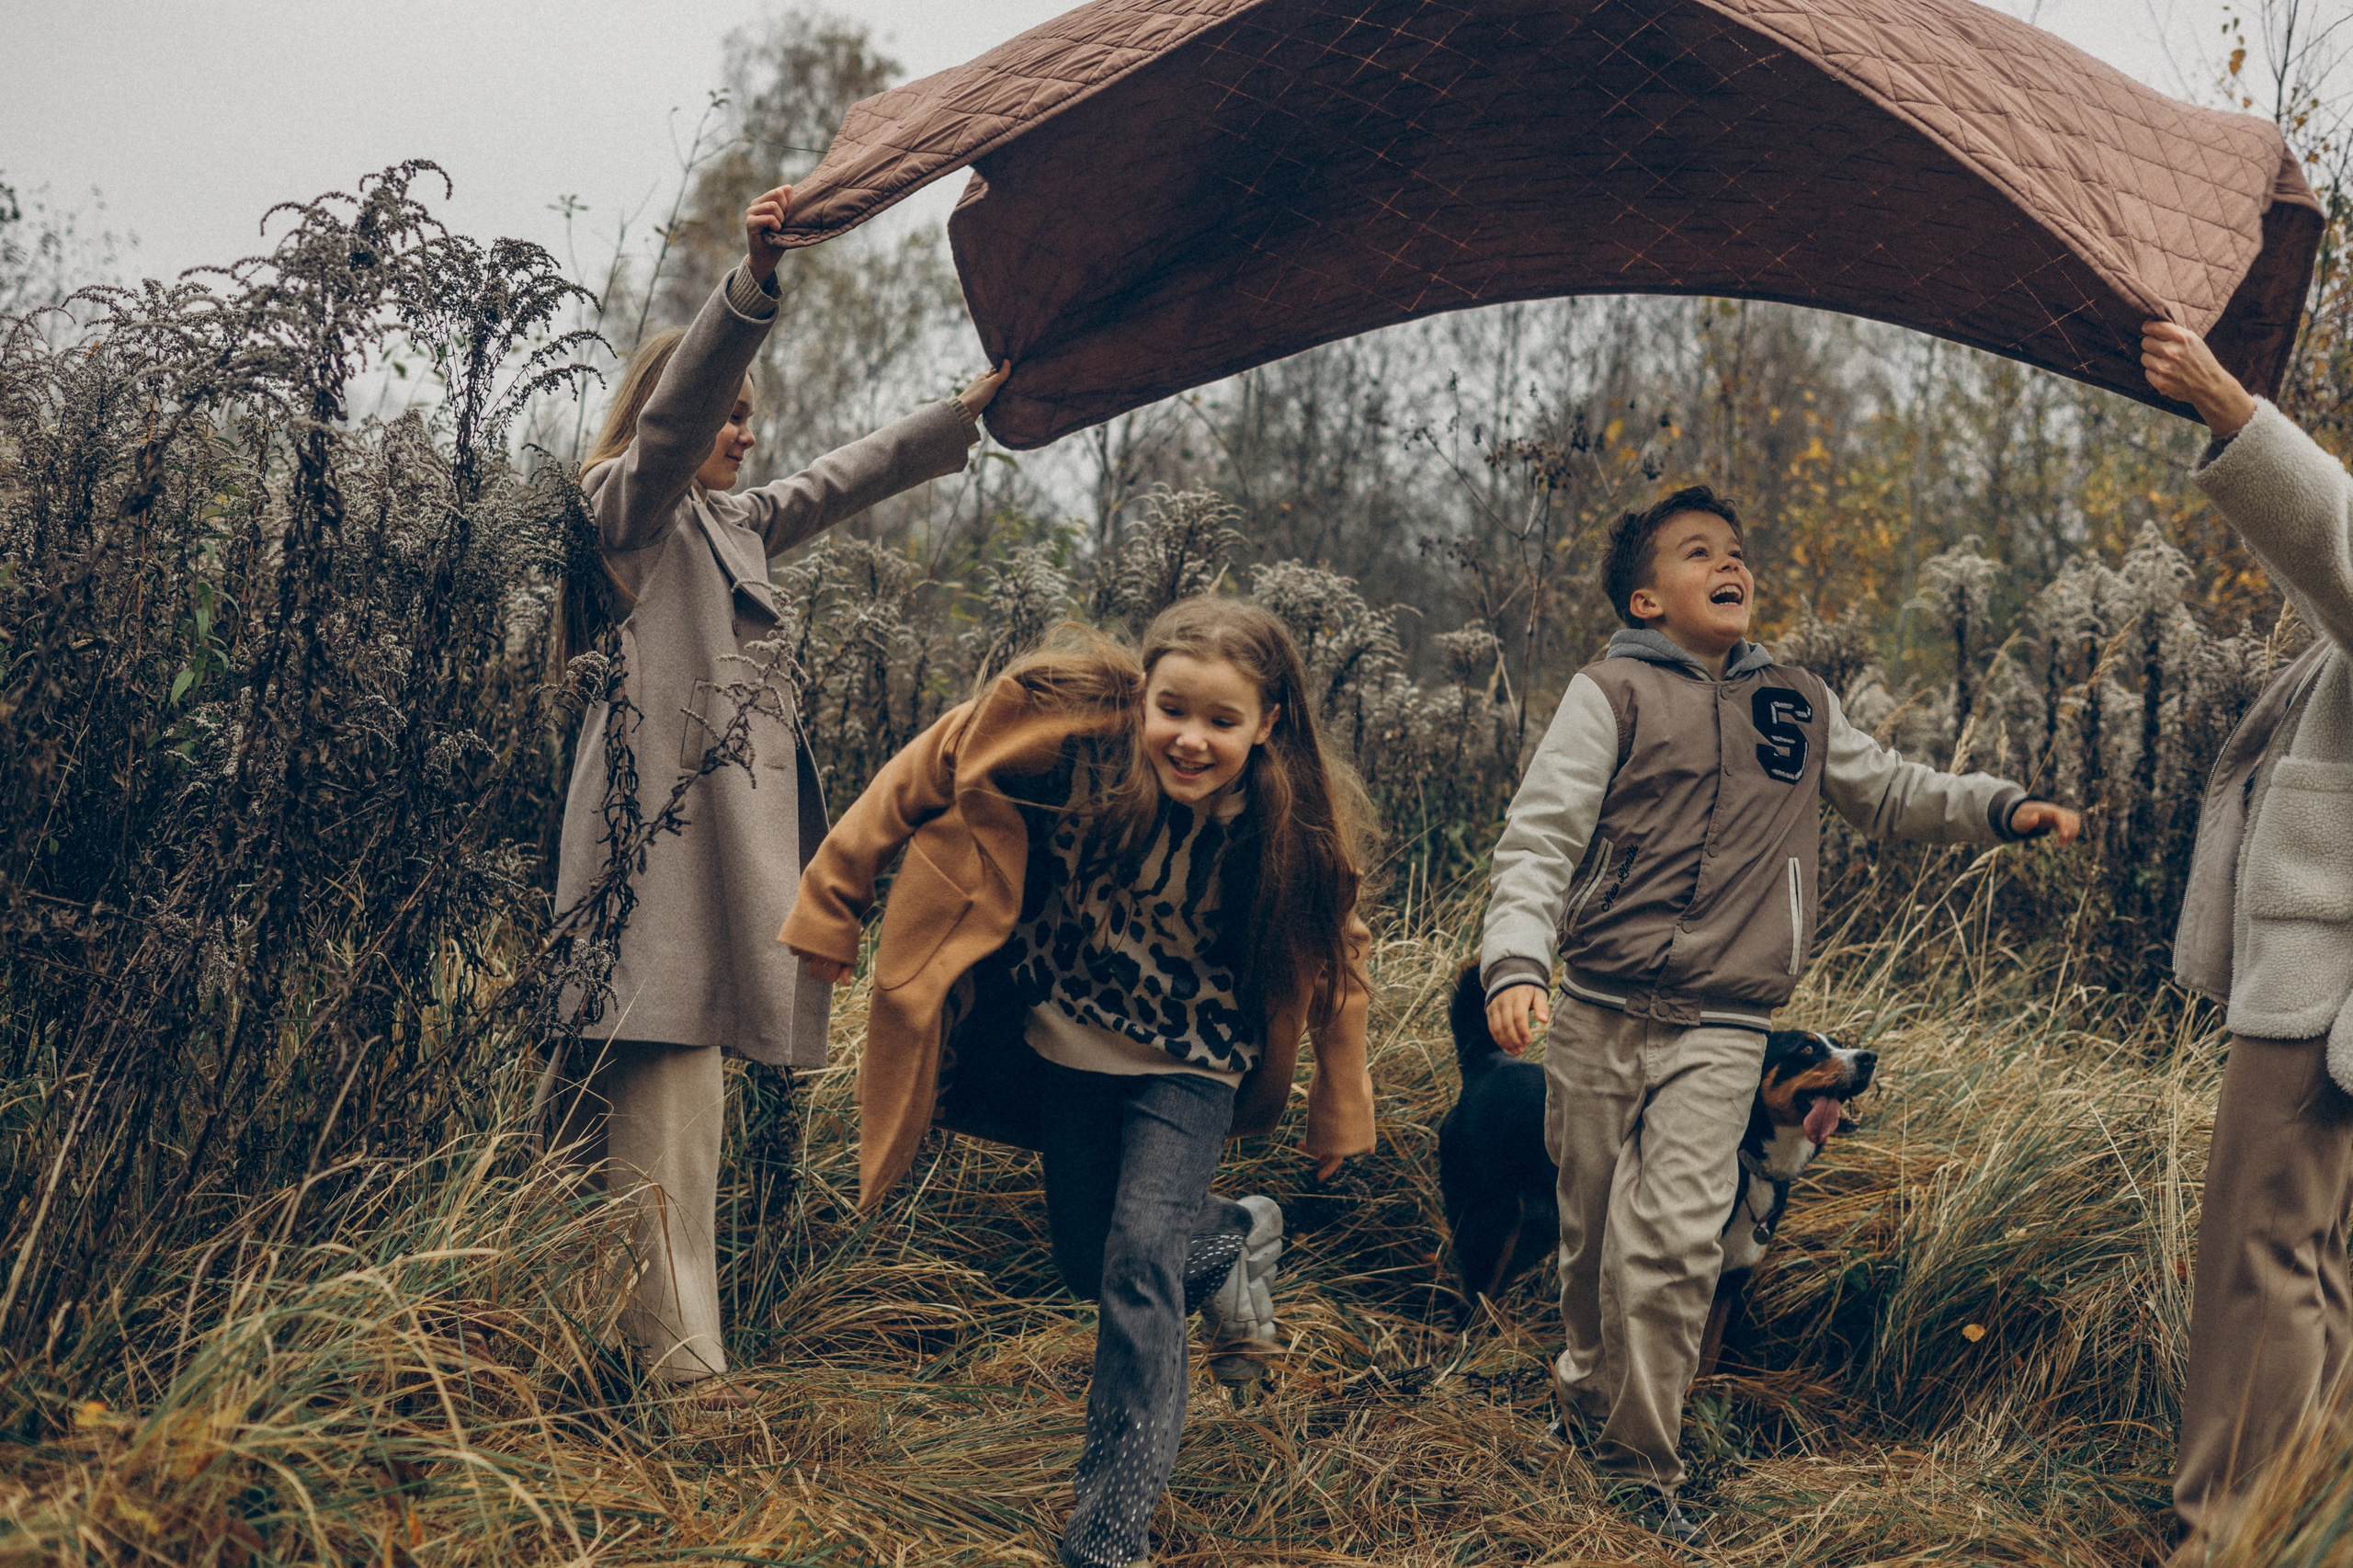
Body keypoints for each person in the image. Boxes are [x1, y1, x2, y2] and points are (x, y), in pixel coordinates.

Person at [1479, 486, 2081, 1541]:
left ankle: (1641, 1465)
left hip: (1725, 1020)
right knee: (1589, 1243)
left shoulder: (1795, 699)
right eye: (1698, 551)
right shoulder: (1608, 690)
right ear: (1644, 596)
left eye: (1739, 551)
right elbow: (1540, 836)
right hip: (1599, 1007)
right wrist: (1514, 961)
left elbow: (1887, 790)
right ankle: (1582, 1384)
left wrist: (1993, 805)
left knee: (1669, 1245)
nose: (1732, 564)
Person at [783, 599, 1376, 1568]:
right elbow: (925, 767)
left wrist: (1338, 1095)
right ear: (1142, 693)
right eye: (1172, 709)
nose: (1190, 739)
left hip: (1193, 1059)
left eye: (1221, 722)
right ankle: (1229, 1239)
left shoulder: (1289, 824)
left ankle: (1107, 1528)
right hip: (1067, 1037)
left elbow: (1339, 952)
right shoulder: (1078, 751)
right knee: (1085, 1261)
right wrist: (830, 899)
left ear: (1266, 724)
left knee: (1138, 1267)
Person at [548, 180, 1009, 1397]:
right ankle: (684, 1385)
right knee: (658, 1148)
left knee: (643, 1150)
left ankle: (599, 1364)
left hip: (687, 896)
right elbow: (672, 423)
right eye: (729, 413)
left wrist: (963, 412)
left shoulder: (725, 526)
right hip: (650, 901)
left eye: (755, 417)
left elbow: (843, 479)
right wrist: (750, 290)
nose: (745, 432)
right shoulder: (627, 516)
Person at [2142, 319, 2353, 1564]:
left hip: (2330, 974)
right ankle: (2307, 1529)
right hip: (2324, 959)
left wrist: (2235, 411)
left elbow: (2342, 549)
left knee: (2266, 1254)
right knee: (2313, 1257)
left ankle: (2225, 1541)